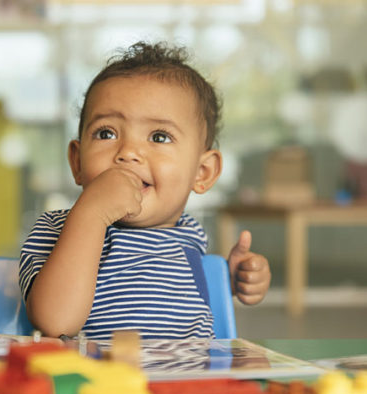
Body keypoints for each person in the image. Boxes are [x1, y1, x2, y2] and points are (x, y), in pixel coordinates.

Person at [19, 41, 271, 341]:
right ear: (77, 161)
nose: (128, 152)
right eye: (106, 133)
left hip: (185, 383)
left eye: (159, 136)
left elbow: (184, 301)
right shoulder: (56, 230)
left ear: (202, 173)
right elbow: (55, 322)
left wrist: (228, 279)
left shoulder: (190, 235)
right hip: (94, 383)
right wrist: (92, 214)